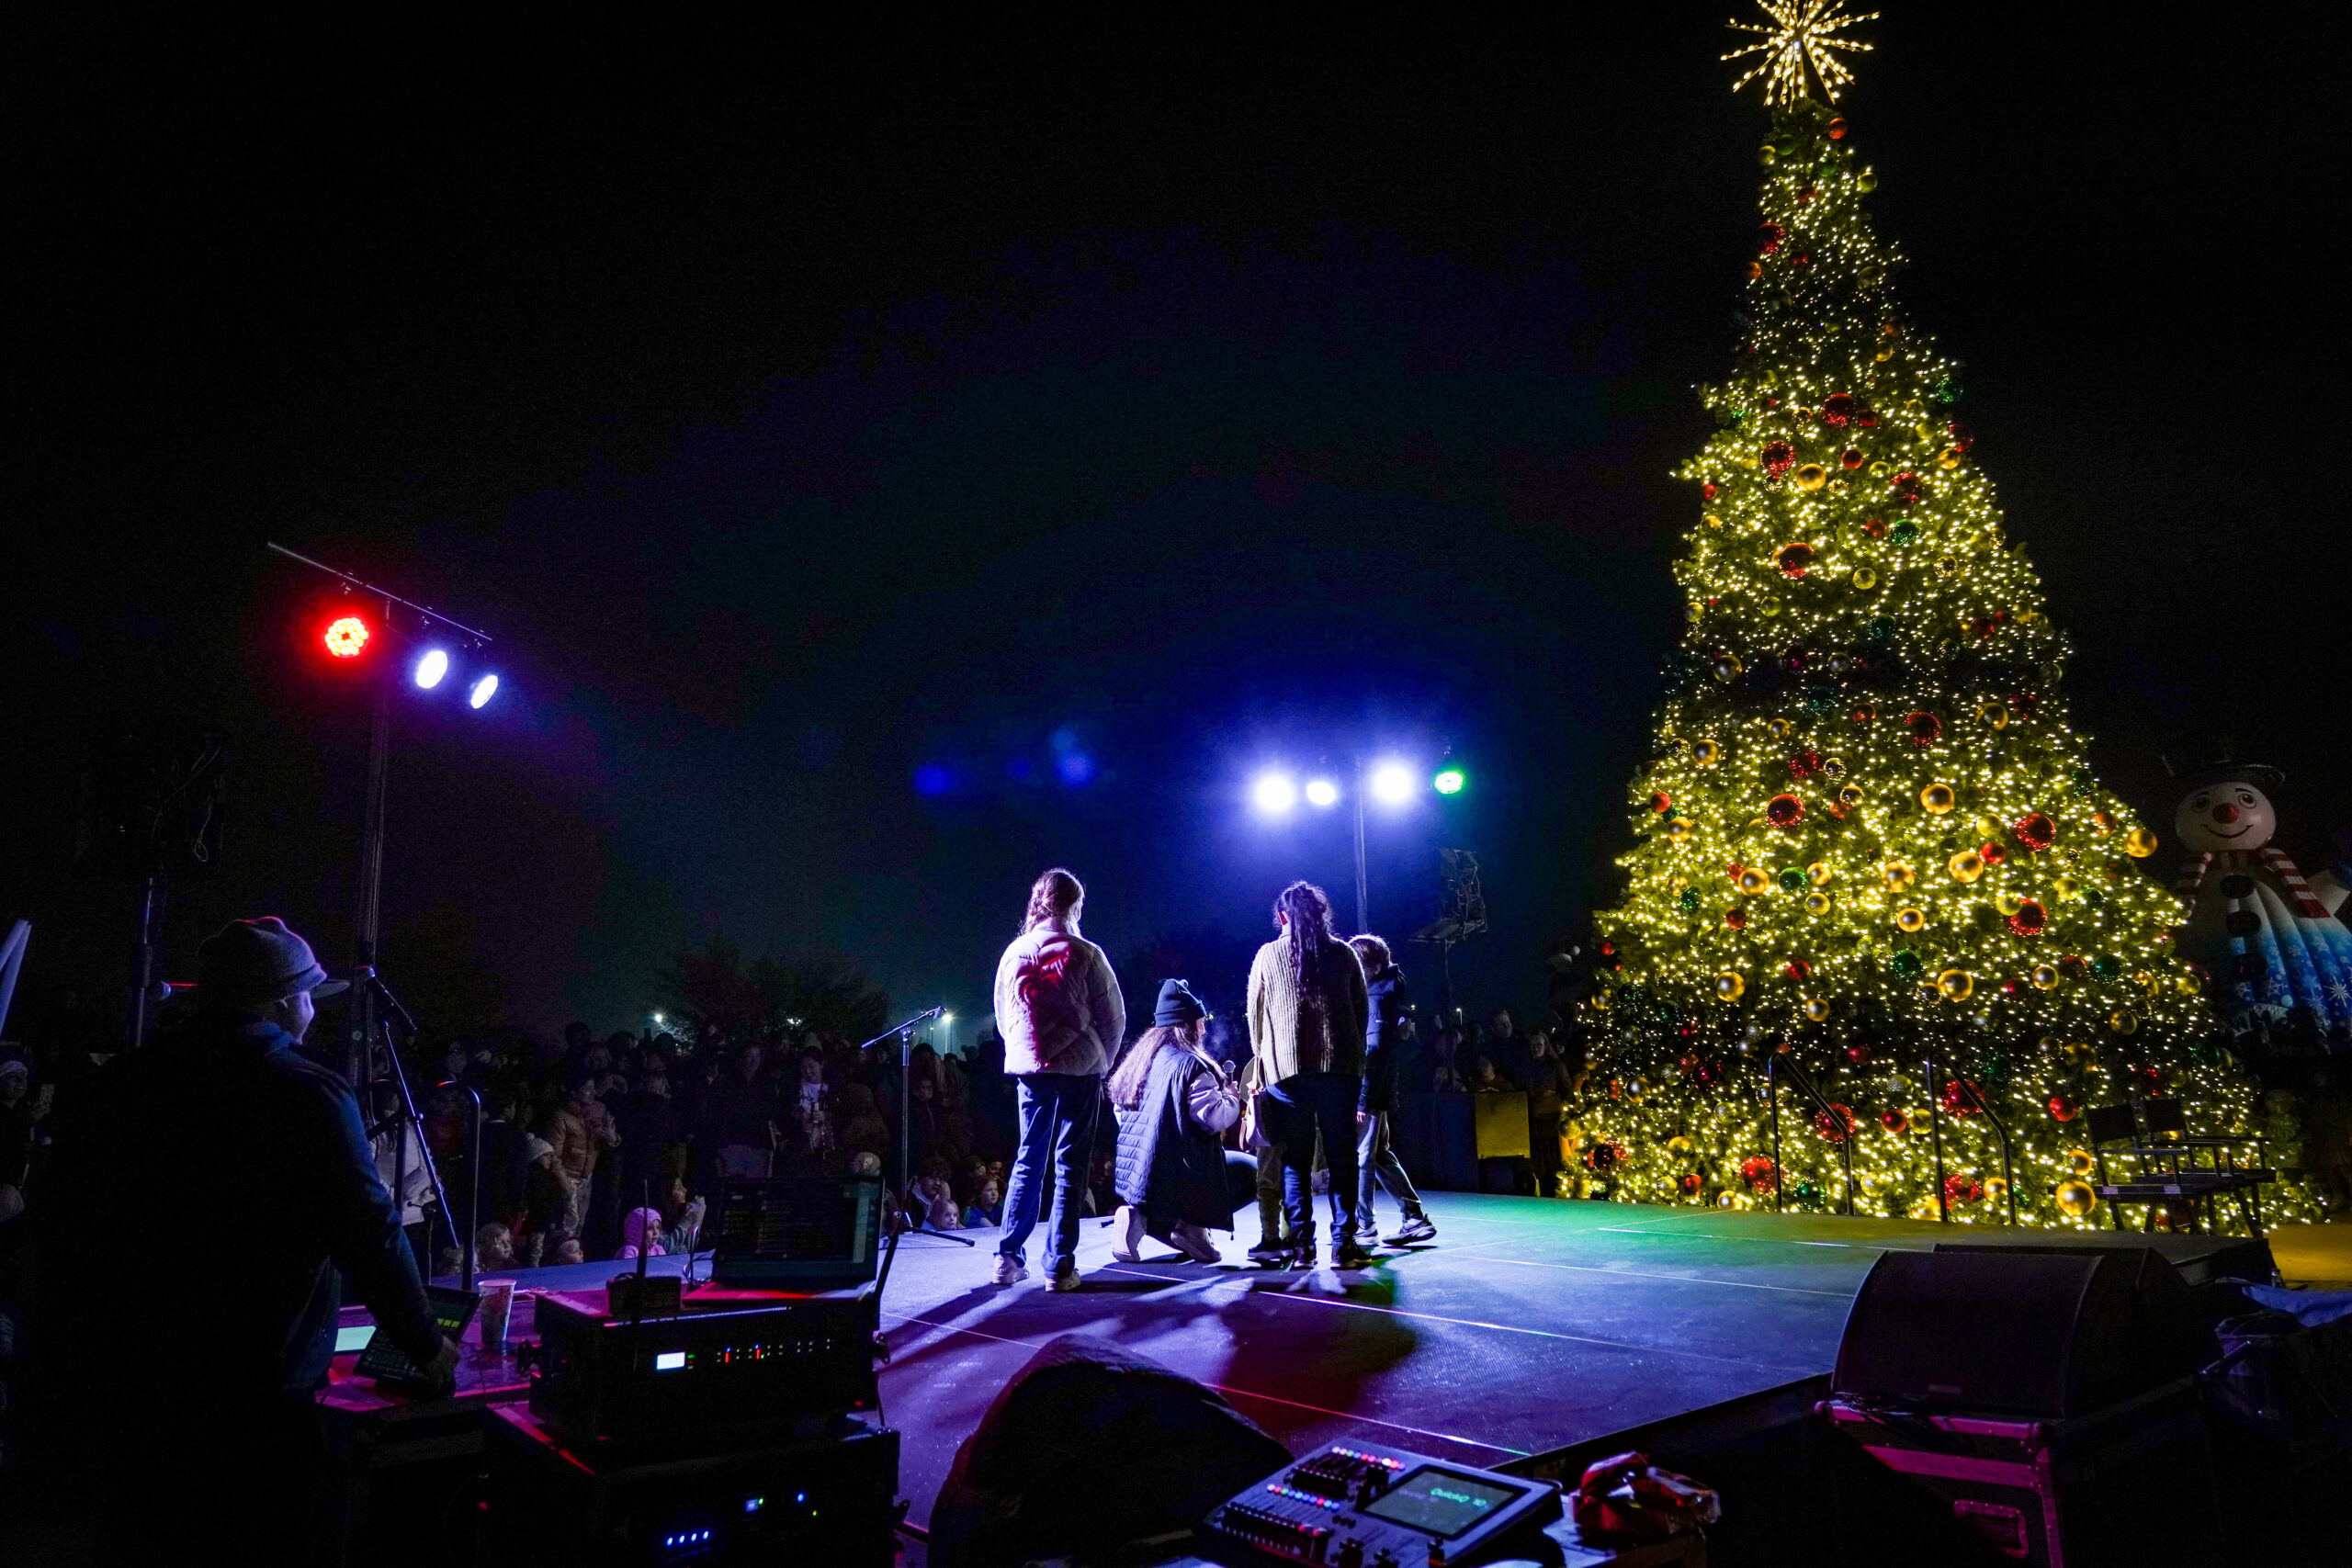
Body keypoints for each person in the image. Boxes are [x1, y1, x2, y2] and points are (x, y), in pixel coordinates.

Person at [32, 917, 458, 1559]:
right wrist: (425, 1344)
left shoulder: (123, 1080)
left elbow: (62, 1219)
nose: (314, 1011)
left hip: (134, 1387)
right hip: (257, 1395)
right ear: (284, 1001)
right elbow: (370, 1230)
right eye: (310, 996)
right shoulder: (309, 1091)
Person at [989, 867, 1125, 1291]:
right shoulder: (1087, 953)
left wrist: (1028, 1050)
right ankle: (1060, 1267)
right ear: (1075, 905)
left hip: (1031, 1069)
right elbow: (1114, 1018)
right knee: (1071, 1163)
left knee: (1028, 1158)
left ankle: (1007, 1258)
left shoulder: (1013, 953)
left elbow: (1004, 1018)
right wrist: (1102, 1061)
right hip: (1081, 1068)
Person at [1246, 881, 1371, 1269]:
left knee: (1295, 1161)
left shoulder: (1268, 955)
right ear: (1321, 915)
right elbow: (1361, 1012)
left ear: (1282, 917)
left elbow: (1255, 1016)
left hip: (1287, 1072)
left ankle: (1302, 1248)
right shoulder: (1344, 954)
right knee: (1342, 1157)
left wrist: (1262, 1061)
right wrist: (1353, 1055)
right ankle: (1344, 1245)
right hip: (1340, 1069)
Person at [1109, 980, 1250, 1263]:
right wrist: (1232, 1099)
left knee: (1159, 1186)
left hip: (1138, 1178)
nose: (1204, 1029)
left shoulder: (1138, 1062)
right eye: (1200, 1022)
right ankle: (1192, 1226)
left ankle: (1138, 1217)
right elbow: (1213, 1119)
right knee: (1253, 1172)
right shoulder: (1192, 1066)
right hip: (1181, 1176)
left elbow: (1121, 1115)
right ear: (1186, 1025)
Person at [1349, 935, 1435, 1247]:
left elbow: (1374, 1051)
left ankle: (1365, 1226)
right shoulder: (1387, 992)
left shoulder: (1377, 998)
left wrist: (1362, 1100)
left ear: (1373, 966)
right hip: (1381, 1090)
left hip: (1372, 1093)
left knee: (1363, 1158)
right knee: (1380, 1154)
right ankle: (1413, 1217)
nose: (1355, 972)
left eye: (1359, 965)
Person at [1521, 1028, 1573, 1200]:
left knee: (1554, 1160)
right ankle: (1544, 1193)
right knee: (1539, 1162)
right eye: (1533, 1045)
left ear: (1545, 1045)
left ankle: (1557, 1192)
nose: (1536, 1048)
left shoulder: (1556, 1066)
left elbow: (1567, 1090)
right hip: (1534, 1121)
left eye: (1539, 1045)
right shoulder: (1526, 1067)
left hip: (1553, 1119)